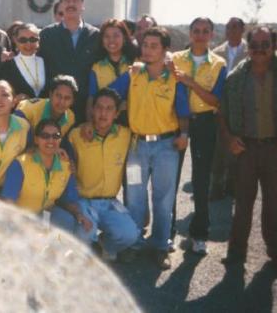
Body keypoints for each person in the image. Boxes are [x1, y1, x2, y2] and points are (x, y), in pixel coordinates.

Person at [220, 26, 277, 276]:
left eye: (264, 44)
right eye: (254, 44)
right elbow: (222, 115)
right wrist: (230, 139)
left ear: (273, 46)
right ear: (248, 47)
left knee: (273, 204)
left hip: (275, 150)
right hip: (246, 149)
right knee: (243, 204)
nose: (259, 49)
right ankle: (236, 254)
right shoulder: (235, 79)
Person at [105, 27, 190, 269]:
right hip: (136, 146)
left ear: (165, 51)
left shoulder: (175, 78)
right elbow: (110, 95)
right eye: (145, 45)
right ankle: (134, 243)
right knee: (134, 196)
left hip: (166, 146)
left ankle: (161, 246)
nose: (148, 50)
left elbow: (183, 111)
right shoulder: (133, 74)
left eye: (154, 46)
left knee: (163, 199)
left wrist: (184, 134)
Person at [171, 17, 227, 255]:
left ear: (212, 35)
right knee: (171, 177)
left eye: (205, 31)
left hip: (205, 121)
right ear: (190, 33)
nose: (200, 35)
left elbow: (215, 100)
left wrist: (191, 83)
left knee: (201, 179)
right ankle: (168, 231)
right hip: (178, 120)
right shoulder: (175, 59)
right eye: (196, 30)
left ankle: (199, 233)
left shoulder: (218, 64)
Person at [68, 88, 139, 262]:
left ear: (116, 113)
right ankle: (82, 251)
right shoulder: (77, 135)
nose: (103, 113)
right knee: (84, 235)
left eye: (109, 109)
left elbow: (134, 168)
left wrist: (139, 203)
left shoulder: (126, 135)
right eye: (99, 107)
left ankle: (104, 245)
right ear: (92, 110)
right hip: (83, 200)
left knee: (130, 235)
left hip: (110, 202)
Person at [2, 118, 93, 238]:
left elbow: (70, 199)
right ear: (36, 139)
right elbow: (8, 204)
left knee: (68, 221)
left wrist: (79, 215)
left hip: (46, 214)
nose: (51, 140)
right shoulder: (21, 164)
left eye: (56, 136)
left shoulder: (66, 166)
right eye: (45, 136)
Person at [38, 0, 99, 124]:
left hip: (85, 110)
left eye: (75, 0)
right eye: (67, 0)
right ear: (60, 4)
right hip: (53, 110)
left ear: (82, 5)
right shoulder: (47, 35)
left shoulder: (95, 36)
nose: (71, 4)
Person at [210, 17, 249, 200]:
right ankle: (216, 186)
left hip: (243, 108)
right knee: (219, 149)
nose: (231, 30)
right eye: (228, 27)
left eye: (235, 27)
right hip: (221, 106)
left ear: (242, 30)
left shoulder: (251, 52)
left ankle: (232, 185)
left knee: (239, 148)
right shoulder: (216, 53)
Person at [86, 19, 134, 124]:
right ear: (102, 41)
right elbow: (91, 100)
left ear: (124, 38)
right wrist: (89, 124)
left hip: (132, 124)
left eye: (116, 36)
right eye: (106, 37)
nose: (111, 40)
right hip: (105, 125)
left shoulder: (135, 64)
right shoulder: (96, 68)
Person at [0, 23, 46, 106]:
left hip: (45, 115)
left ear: (38, 40)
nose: (28, 44)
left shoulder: (46, 63)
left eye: (33, 39)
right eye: (23, 40)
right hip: (19, 116)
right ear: (15, 41)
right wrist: (14, 98)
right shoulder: (7, 67)